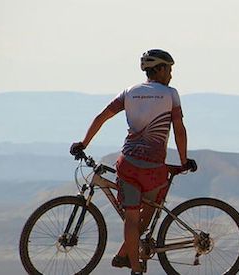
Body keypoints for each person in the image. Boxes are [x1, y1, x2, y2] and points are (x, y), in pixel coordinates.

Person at [70, 49, 192, 275]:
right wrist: (184, 160)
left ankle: (134, 267)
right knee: (147, 214)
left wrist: (84, 143)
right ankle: (127, 255)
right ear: (162, 69)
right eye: (170, 70)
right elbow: (179, 131)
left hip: (128, 164)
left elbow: (102, 117)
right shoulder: (170, 94)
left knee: (131, 218)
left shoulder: (129, 92)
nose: (171, 75)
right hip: (154, 169)